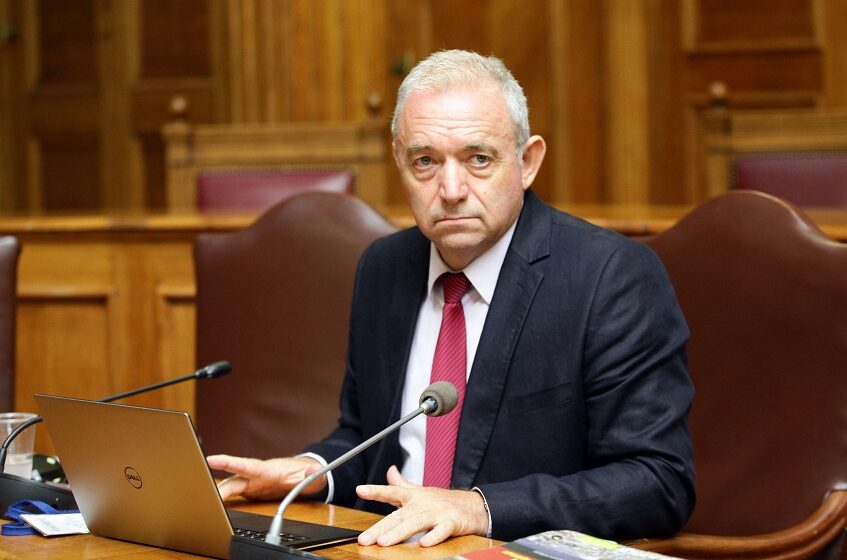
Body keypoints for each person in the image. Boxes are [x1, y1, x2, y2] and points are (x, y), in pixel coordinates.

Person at [207, 49, 695, 547]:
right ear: (400, 164)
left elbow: (659, 481)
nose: (452, 189)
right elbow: (366, 436)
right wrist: (310, 471)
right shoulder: (384, 268)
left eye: (478, 159)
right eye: (425, 161)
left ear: (527, 162)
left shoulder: (608, 277)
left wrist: (479, 508)